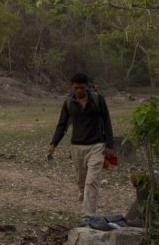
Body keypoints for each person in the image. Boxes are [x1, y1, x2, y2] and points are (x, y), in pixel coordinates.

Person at [48, 72, 114, 222]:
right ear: (72, 86)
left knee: (92, 181)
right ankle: (83, 194)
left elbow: (107, 121)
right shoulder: (68, 103)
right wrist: (53, 144)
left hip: (96, 146)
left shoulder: (98, 100)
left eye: (82, 88)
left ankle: (88, 216)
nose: (79, 91)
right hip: (77, 147)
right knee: (82, 182)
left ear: (88, 87)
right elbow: (62, 125)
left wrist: (109, 145)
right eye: (76, 88)